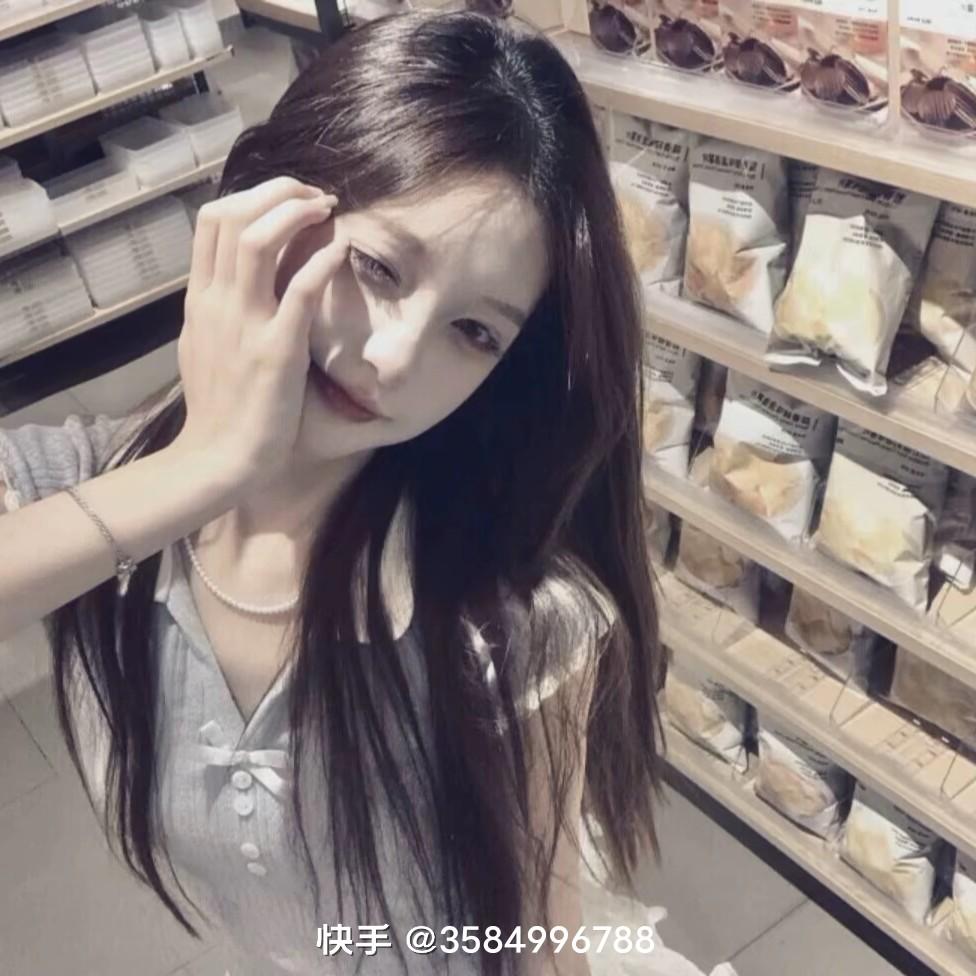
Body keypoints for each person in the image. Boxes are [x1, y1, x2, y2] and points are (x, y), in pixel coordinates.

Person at [0, 9, 665, 975]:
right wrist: (200, 469)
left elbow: (535, 945)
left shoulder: (504, 620)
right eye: (378, 266)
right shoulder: (87, 492)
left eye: (474, 333)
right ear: (263, 203)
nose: (394, 358)